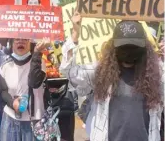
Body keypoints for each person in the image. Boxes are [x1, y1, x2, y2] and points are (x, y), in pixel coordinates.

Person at [60, 12, 164, 141]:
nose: (128, 51)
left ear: (144, 48)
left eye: (133, 47)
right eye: (124, 47)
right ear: (114, 47)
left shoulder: (157, 74)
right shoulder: (101, 72)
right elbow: (70, 72)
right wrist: (75, 34)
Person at [0, 38, 48, 141]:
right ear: (12, 44)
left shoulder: (39, 62)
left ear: (30, 43)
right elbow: (3, 91)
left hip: (34, 121)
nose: (21, 42)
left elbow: (34, 82)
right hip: (10, 119)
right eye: (17, 39)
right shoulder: (5, 64)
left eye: (25, 39)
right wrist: (12, 103)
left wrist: (37, 53)